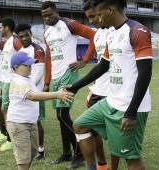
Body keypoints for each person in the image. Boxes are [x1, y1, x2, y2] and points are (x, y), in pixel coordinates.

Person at [68, 1, 152, 170]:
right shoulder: (112, 34)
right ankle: (92, 168)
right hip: (111, 102)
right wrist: (76, 86)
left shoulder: (138, 31)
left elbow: (145, 74)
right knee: (79, 125)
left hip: (129, 106)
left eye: (99, 14)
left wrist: (131, 112)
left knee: (131, 158)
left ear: (110, 10)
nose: (97, 19)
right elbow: (103, 66)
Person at [41, 1, 95, 168]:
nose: (47, 18)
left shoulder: (69, 24)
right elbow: (49, 57)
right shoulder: (47, 33)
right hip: (56, 77)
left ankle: (79, 154)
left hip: (68, 74)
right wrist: (47, 81)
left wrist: (85, 60)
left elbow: (93, 36)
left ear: (56, 11)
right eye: (44, 16)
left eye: (50, 14)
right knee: (60, 117)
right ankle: (66, 153)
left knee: (62, 115)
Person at [7, 51, 74, 170]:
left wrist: (58, 91)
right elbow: (32, 96)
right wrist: (57, 95)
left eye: (30, 65)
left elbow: (38, 93)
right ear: (16, 67)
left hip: (31, 122)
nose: (30, 67)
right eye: (27, 65)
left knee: (32, 153)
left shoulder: (27, 79)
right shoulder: (17, 80)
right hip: (18, 124)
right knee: (23, 159)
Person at [82, 1, 111, 169]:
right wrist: (92, 89)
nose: (92, 20)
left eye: (93, 16)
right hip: (98, 89)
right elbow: (101, 64)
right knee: (92, 131)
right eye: (88, 18)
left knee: (115, 135)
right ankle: (101, 164)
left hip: (115, 91)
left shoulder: (116, 30)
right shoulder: (97, 34)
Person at [14, 23, 47, 160]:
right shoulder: (20, 51)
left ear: (31, 34)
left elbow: (38, 72)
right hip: (24, 92)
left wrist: (27, 87)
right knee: (27, 120)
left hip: (35, 92)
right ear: (18, 37)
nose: (24, 38)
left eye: (26, 35)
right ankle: (31, 147)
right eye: (21, 36)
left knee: (36, 122)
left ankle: (40, 149)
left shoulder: (38, 50)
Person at [0, 17, 22, 152]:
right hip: (5, 81)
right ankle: (8, 135)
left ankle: (11, 140)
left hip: (12, 81)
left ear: (6, 28)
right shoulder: (6, 42)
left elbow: (24, 55)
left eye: (1, 27)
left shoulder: (15, 41)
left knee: (7, 111)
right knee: (5, 110)